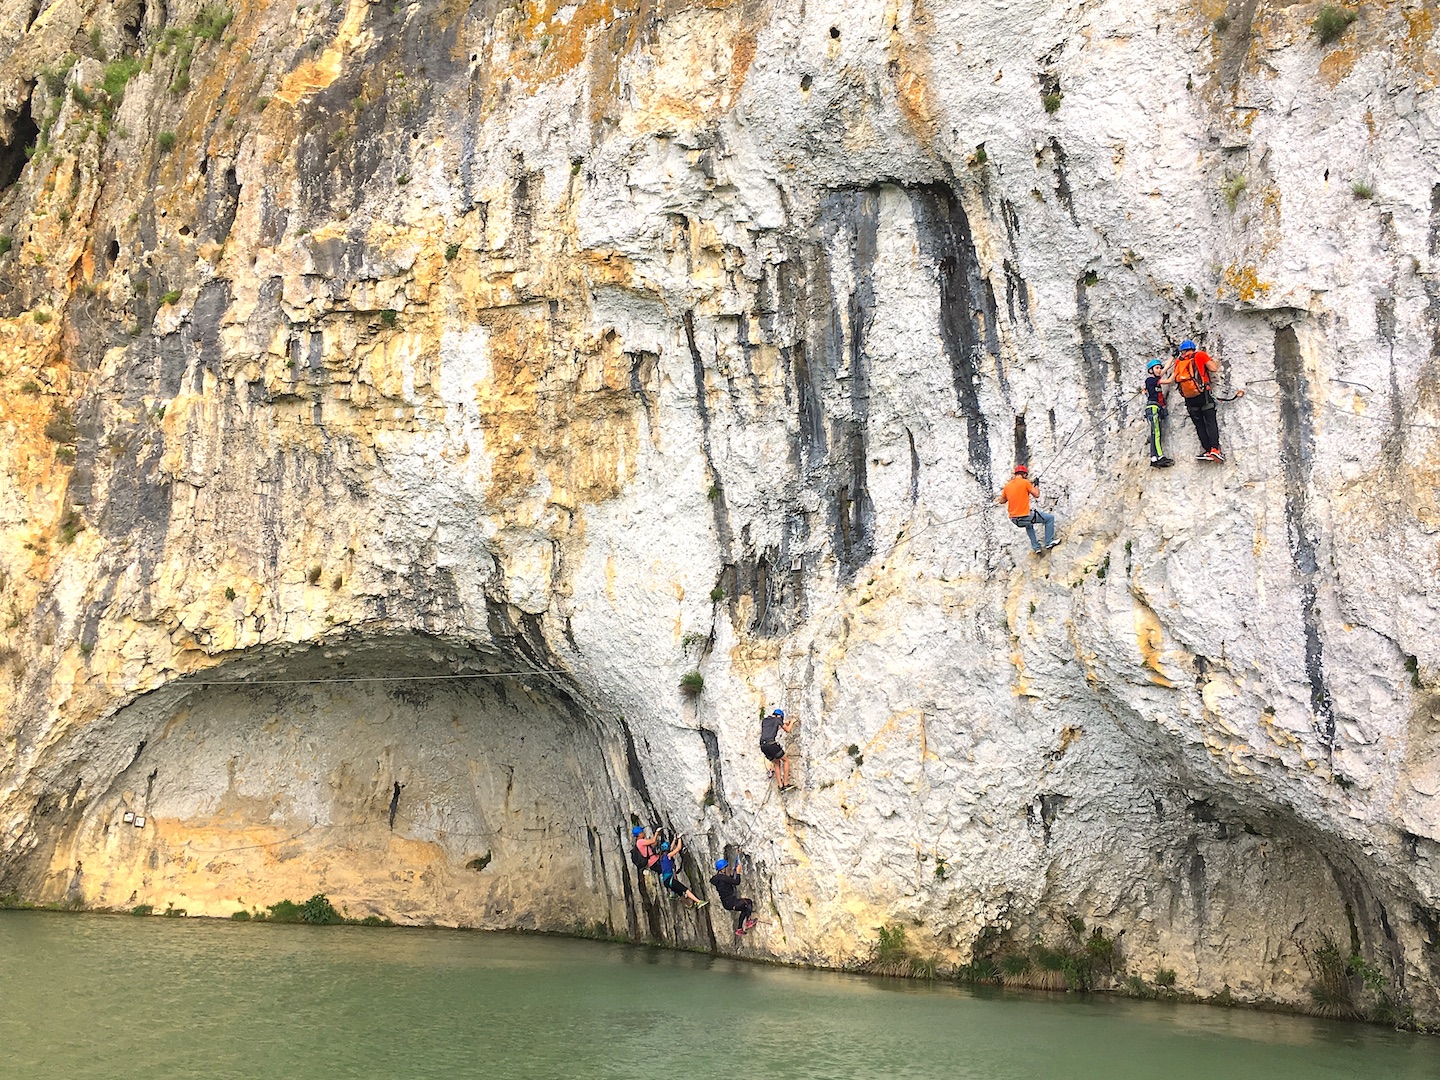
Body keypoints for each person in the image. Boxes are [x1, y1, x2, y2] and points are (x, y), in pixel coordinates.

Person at [1169, 340, 1224, 461]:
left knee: (1199, 424)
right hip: (1202, 393)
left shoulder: (1179, 361)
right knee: (1210, 420)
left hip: (1188, 397)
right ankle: (1215, 449)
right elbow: (1213, 368)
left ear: (1182, 351)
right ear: (1193, 348)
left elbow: (1174, 378)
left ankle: (1207, 450)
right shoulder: (1200, 355)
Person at [994, 464, 1057, 554]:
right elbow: (1037, 495)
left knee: (1029, 525)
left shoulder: (1007, 486)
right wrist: (1036, 486)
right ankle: (1049, 542)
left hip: (1015, 520)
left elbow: (1002, 501)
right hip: (1024, 516)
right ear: (1024, 474)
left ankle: (1036, 547)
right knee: (1049, 518)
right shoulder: (1025, 482)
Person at [710, 858, 757, 936]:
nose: (728, 868)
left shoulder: (717, 878)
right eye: (726, 866)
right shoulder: (723, 878)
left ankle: (739, 929)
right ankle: (748, 921)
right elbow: (736, 882)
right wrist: (738, 873)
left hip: (726, 903)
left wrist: (731, 875)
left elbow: (727, 883)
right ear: (723, 869)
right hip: (731, 901)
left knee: (745, 909)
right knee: (748, 902)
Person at [1143, 358, 1175, 468]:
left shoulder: (1155, 379)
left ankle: (1153, 457)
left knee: (1154, 433)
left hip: (1154, 408)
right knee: (1156, 433)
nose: (1159, 370)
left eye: (1159, 368)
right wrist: (1177, 371)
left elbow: (1165, 369)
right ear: (1151, 370)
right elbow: (1169, 380)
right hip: (1153, 408)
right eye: (1156, 368)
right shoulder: (1150, 380)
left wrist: (1172, 357)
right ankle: (1160, 456)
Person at [657, 837, 707, 908]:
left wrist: (674, 839)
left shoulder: (662, 857)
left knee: (680, 893)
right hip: (670, 881)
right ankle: (698, 902)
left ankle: (689, 905)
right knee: (685, 890)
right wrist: (679, 838)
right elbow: (678, 848)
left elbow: (671, 848)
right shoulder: (668, 856)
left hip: (666, 881)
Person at [759, 708, 795, 791]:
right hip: (771, 744)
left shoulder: (765, 720)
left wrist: (784, 722)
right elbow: (788, 730)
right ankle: (785, 784)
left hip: (763, 746)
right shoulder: (778, 719)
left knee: (776, 762)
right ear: (780, 716)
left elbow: (772, 726)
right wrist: (792, 722)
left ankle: (780, 786)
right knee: (785, 760)